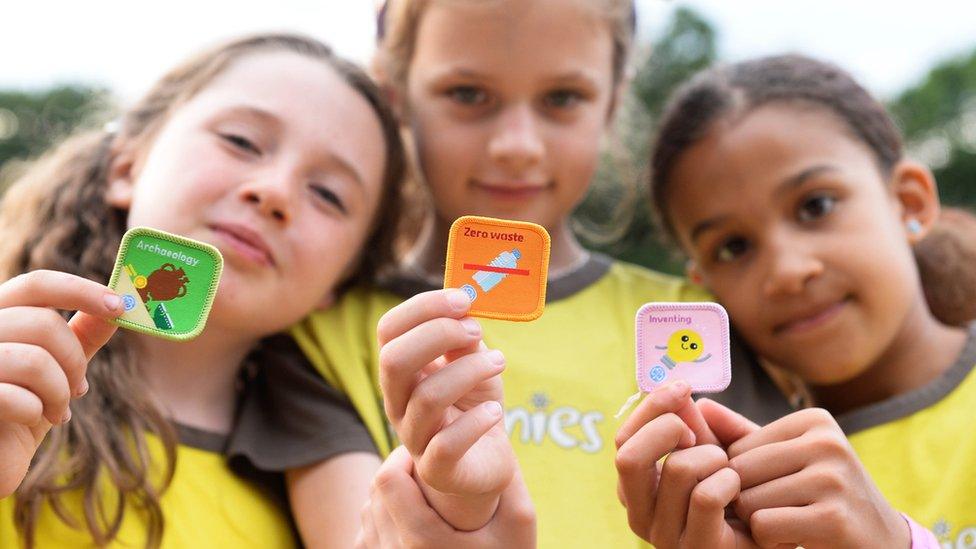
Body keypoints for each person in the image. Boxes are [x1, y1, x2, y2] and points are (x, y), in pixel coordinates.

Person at [284, 1, 792, 546]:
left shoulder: (695, 320)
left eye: (562, 98)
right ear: (396, 98)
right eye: (468, 94)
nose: (517, 146)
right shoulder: (320, 330)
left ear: (612, 104)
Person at [0, 33, 407, 548]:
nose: (275, 191)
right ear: (127, 167)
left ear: (341, 280)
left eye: (328, 194)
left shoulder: (344, 486)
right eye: (241, 141)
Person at [616, 54, 972, 548]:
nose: (786, 271)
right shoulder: (704, 486)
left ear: (909, 202)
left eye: (816, 206)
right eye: (733, 247)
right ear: (705, 286)